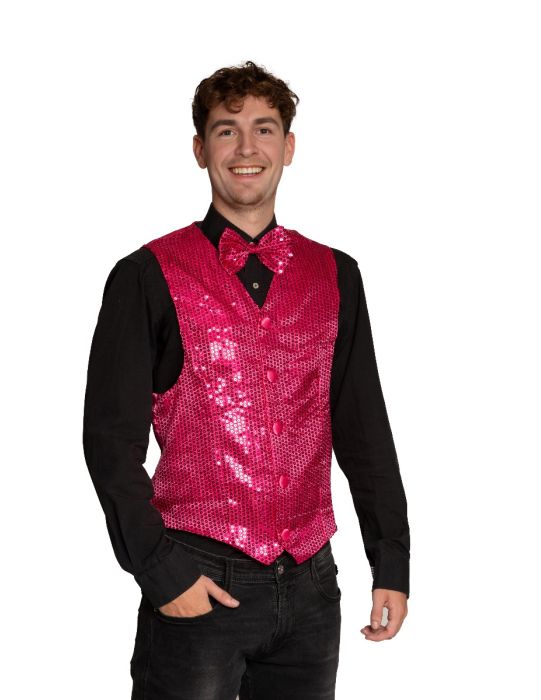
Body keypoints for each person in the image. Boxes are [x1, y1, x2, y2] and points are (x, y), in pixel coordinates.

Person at [82, 60, 410, 699]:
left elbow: (363, 428)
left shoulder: (338, 275)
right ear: (200, 149)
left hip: (313, 589)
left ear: (289, 147)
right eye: (226, 131)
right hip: (198, 580)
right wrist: (161, 571)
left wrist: (390, 559)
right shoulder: (145, 275)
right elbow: (109, 442)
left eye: (264, 129)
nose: (246, 148)